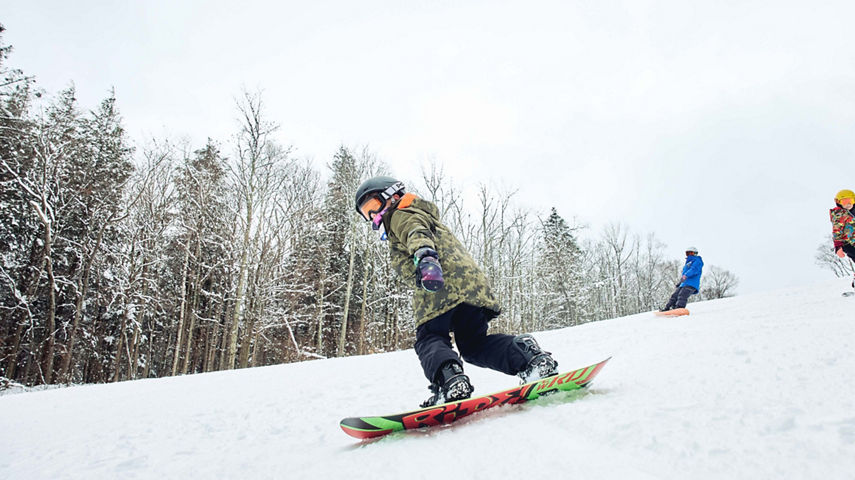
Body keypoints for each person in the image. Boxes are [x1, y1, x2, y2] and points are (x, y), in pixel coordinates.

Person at [354, 176, 559, 407]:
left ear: (392, 196)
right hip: (471, 288)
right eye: (366, 213)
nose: (373, 216)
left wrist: (426, 259)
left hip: (437, 283)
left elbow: (416, 233)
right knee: (473, 345)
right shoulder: (425, 214)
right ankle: (528, 358)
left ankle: (450, 380)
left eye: (373, 206)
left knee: (429, 338)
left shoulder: (401, 215)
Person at [659, 247, 704, 312]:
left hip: (692, 283)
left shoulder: (697, 261)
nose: (689, 255)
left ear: (695, 253)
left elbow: (694, 269)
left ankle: (679, 308)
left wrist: (686, 275)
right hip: (684, 284)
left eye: (690, 253)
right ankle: (668, 308)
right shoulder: (687, 263)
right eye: (687, 253)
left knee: (682, 295)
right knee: (674, 295)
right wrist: (680, 282)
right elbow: (684, 275)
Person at [831, 189, 855, 262]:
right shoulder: (839, 214)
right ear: (839, 202)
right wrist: (838, 246)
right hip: (848, 243)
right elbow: (837, 230)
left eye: (850, 201)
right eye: (844, 202)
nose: (848, 204)